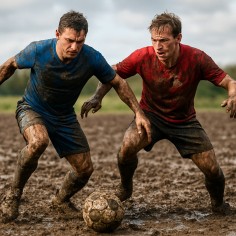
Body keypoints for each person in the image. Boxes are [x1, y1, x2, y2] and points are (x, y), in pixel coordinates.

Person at [0, 11, 151, 223]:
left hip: (63, 116)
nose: (74, 47)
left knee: (85, 169)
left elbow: (119, 82)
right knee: (38, 142)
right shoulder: (38, 50)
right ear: (57, 34)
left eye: (80, 42)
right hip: (32, 108)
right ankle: (13, 195)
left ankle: (61, 201)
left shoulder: (91, 57)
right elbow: (9, 66)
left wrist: (138, 113)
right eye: (69, 40)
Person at [81, 12, 236, 214]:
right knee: (126, 148)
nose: (158, 46)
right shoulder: (143, 56)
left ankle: (218, 205)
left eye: (163, 40)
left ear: (178, 38)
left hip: (184, 121)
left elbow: (229, 82)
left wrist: (233, 96)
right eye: (154, 40)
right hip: (150, 117)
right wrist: (97, 97)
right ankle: (125, 188)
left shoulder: (197, 58)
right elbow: (111, 74)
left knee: (213, 170)